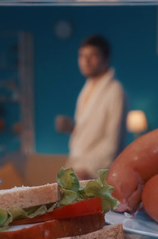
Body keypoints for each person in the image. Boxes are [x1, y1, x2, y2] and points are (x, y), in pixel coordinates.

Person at [55, 34, 128, 180]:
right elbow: (90, 131)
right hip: (77, 166)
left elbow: (112, 141)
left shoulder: (115, 91)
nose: (86, 61)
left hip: (97, 173)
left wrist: (88, 171)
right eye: (82, 56)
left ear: (106, 58)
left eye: (93, 55)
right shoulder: (87, 89)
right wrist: (71, 128)